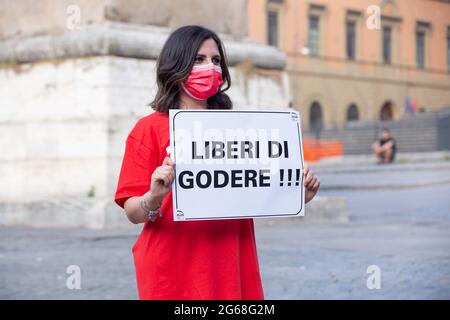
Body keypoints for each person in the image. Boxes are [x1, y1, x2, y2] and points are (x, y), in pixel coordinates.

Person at [114, 25, 320, 300]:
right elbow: (132, 212)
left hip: (231, 264)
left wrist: (295, 192)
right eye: (198, 59)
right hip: (172, 269)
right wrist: (153, 197)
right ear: (176, 65)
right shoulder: (148, 129)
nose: (209, 67)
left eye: (216, 60)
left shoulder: (242, 129)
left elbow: (255, 188)